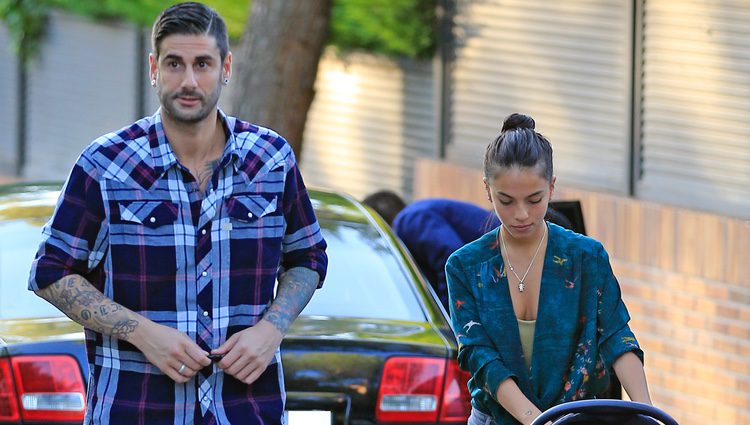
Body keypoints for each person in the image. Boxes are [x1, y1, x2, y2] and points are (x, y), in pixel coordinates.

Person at [27, 3, 327, 424]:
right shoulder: (105, 165)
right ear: (154, 68)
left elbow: (308, 257)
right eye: (174, 64)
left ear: (226, 67)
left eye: (202, 64)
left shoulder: (272, 160)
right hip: (136, 411)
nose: (189, 81)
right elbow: (51, 272)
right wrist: (141, 333)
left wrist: (271, 329)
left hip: (246, 410)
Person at [446, 113, 651, 424]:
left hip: (575, 419)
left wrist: (646, 411)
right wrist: (536, 420)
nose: (521, 214)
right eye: (506, 201)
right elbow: (480, 357)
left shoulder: (586, 257)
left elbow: (616, 335)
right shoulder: (465, 266)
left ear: (552, 187)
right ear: (487, 190)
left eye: (534, 199)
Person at [362, 191, 573, 313]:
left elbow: (453, 262)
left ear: (380, 225)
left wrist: (453, 319)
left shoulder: (409, 220)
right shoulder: (416, 218)